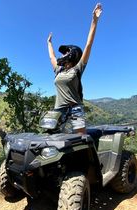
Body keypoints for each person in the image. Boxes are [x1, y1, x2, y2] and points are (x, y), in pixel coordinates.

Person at [47, 3, 103, 134]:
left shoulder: (78, 68)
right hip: (58, 110)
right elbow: (52, 57)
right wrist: (49, 43)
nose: (62, 54)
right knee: (52, 138)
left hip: (75, 109)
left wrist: (94, 21)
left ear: (73, 54)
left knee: (80, 139)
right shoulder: (58, 70)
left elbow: (89, 44)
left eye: (65, 52)